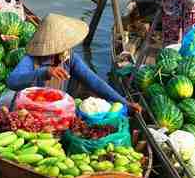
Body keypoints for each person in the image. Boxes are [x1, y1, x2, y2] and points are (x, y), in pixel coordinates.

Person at [7, 13, 141, 112]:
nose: (66, 49)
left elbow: (94, 81)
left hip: (56, 109)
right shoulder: (31, 59)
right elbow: (12, 81)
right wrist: (44, 72)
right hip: (29, 110)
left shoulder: (69, 58)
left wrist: (124, 102)